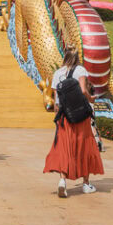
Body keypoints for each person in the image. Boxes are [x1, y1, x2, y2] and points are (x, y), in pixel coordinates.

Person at [43, 48, 103, 198]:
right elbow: (83, 90)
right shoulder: (80, 70)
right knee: (84, 147)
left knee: (65, 147)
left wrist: (57, 118)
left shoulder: (58, 73)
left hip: (64, 116)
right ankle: (86, 183)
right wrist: (91, 99)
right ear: (77, 58)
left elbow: (57, 100)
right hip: (80, 116)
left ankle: (62, 181)